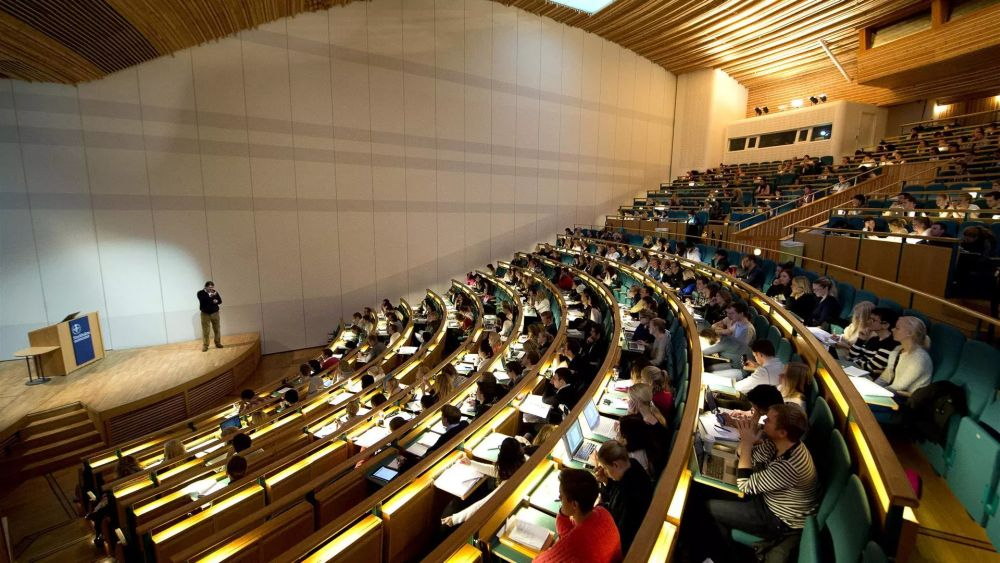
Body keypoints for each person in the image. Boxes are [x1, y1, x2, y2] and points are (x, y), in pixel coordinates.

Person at [704, 404, 818, 562]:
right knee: (708, 489)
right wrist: (748, 442)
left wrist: (747, 443)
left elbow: (744, 485)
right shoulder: (780, 443)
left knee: (709, 508)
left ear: (782, 432)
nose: (763, 423)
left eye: (769, 421)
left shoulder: (789, 466)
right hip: (767, 499)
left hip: (779, 519)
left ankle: (725, 557)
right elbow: (747, 456)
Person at [534, 469, 622, 563]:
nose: (559, 498)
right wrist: (563, 514)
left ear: (575, 504)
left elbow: (540, 561)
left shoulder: (575, 544)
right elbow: (570, 535)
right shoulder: (602, 512)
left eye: (561, 495)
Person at [441, 438, 527, 527]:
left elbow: (484, 503)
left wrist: (454, 519)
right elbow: (497, 471)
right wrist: (471, 463)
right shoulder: (523, 462)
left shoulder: (509, 484)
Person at [594, 440, 654, 553]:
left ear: (616, 464)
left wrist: (598, 507)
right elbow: (617, 489)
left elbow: (615, 524)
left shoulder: (626, 495)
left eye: (605, 468)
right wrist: (606, 481)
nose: (605, 472)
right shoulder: (633, 464)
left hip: (629, 544)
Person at [878, 316, 933, 397]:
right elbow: (885, 377)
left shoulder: (920, 358)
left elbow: (900, 386)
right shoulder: (897, 350)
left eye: (897, 328)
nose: (892, 329)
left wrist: (876, 393)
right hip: (891, 393)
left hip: (905, 401)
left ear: (909, 333)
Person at [846, 307, 899, 377]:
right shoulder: (874, 339)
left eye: (873, 320)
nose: (868, 322)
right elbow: (852, 355)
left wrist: (853, 360)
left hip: (868, 378)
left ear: (885, 325)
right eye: (870, 319)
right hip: (856, 372)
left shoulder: (890, 344)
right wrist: (860, 340)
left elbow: (870, 367)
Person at [704, 302, 755, 368]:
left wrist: (721, 348)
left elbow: (740, 349)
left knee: (709, 366)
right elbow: (726, 332)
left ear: (741, 314)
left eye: (732, 313)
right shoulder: (737, 323)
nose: (729, 316)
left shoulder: (748, 329)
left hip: (738, 361)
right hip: (730, 353)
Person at [197, 281, 223, 352]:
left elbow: (220, 301)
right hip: (205, 314)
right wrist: (211, 297)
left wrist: (216, 301)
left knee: (217, 329)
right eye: (210, 287)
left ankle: (218, 343)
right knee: (206, 330)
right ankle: (205, 345)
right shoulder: (200, 293)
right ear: (206, 287)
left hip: (215, 313)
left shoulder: (214, 292)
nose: (211, 288)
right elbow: (203, 300)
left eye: (212, 287)